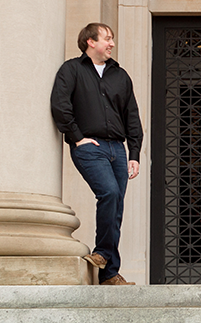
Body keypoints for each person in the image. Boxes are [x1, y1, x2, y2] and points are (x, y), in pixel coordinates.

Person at [50, 23, 144, 286]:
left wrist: (134, 152)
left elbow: (132, 116)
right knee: (110, 193)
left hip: (118, 148)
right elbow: (61, 106)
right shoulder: (72, 70)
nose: (112, 43)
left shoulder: (120, 76)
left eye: (112, 39)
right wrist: (78, 138)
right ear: (90, 42)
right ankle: (104, 255)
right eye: (107, 38)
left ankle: (108, 272)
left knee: (115, 207)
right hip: (90, 148)